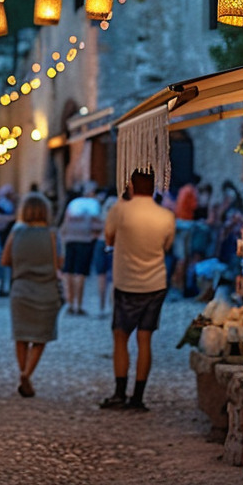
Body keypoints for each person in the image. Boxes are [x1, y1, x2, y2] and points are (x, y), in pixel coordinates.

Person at [100, 170, 176, 412]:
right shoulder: (166, 216)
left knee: (120, 337)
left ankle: (119, 393)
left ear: (131, 185)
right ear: (154, 187)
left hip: (126, 283)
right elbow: (167, 246)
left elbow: (109, 240)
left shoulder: (119, 211)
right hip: (155, 283)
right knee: (145, 339)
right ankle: (138, 397)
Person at [1, 192, 61, 398]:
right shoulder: (52, 234)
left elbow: (5, 260)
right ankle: (28, 373)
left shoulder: (16, 233)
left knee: (21, 337)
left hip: (21, 290)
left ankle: (22, 373)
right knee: (40, 337)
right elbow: (58, 263)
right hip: (46, 290)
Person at [59, 185, 103, 315]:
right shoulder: (93, 204)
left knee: (69, 272)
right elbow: (98, 224)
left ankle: (70, 303)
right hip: (84, 240)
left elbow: (65, 222)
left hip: (70, 239)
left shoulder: (74, 204)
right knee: (80, 273)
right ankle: (78, 305)